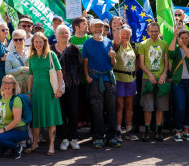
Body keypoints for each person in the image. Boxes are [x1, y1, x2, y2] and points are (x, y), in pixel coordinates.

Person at [83, 18, 118, 148]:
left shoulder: (109, 41)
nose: (98, 29)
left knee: (111, 109)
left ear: (104, 28)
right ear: (91, 29)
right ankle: (98, 137)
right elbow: (85, 63)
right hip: (95, 79)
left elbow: (113, 64)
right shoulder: (87, 43)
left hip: (109, 80)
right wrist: (87, 77)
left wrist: (113, 57)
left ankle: (112, 136)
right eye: (95, 27)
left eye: (101, 27)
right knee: (97, 109)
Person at [27, 32, 63, 155]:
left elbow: (59, 73)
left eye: (40, 42)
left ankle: (51, 145)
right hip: (36, 92)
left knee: (51, 118)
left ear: (44, 43)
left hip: (50, 91)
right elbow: (30, 77)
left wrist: (59, 90)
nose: (38, 44)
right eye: (36, 42)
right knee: (36, 119)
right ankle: (34, 144)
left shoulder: (51, 55)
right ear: (33, 43)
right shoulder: (31, 58)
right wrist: (29, 92)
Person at [137, 21, 170, 142]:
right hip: (147, 79)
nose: (154, 33)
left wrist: (164, 75)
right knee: (148, 107)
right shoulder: (143, 44)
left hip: (161, 78)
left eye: (156, 31)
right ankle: (146, 131)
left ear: (159, 31)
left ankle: (158, 130)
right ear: (147, 32)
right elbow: (141, 63)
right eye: (151, 31)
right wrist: (150, 75)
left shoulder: (164, 44)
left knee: (160, 106)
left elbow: (166, 62)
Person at [51, 25, 82, 150]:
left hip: (72, 84)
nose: (64, 35)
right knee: (61, 112)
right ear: (56, 35)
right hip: (56, 86)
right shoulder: (51, 49)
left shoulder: (74, 48)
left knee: (73, 111)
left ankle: (73, 138)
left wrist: (73, 77)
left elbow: (80, 64)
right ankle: (64, 138)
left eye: (66, 33)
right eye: (61, 33)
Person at [0, 74, 28, 159]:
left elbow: (17, 120)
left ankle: (17, 147)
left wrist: (2, 130)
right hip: (5, 132)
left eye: (9, 83)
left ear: (14, 86)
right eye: (4, 82)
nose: (6, 85)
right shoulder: (1, 98)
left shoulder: (16, 100)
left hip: (18, 130)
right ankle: (9, 145)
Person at [168, 27, 189, 142]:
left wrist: (184, 46)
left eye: (186, 38)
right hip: (178, 82)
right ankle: (178, 131)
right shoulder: (176, 49)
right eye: (182, 38)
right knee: (180, 107)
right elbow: (170, 53)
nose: (184, 40)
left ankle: (186, 131)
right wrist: (175, 37)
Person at [113, 25, 138, 141]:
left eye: (128, 34)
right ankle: (118, 130)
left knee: (129, 106)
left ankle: (129, 130)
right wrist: (117, 26)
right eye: (123, 33)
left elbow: (137, 60)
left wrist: (134, 71)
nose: (125, 36)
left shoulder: (133, 45)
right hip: (119, 79)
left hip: (131, 80)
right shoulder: (116, 45)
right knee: (119, 106)